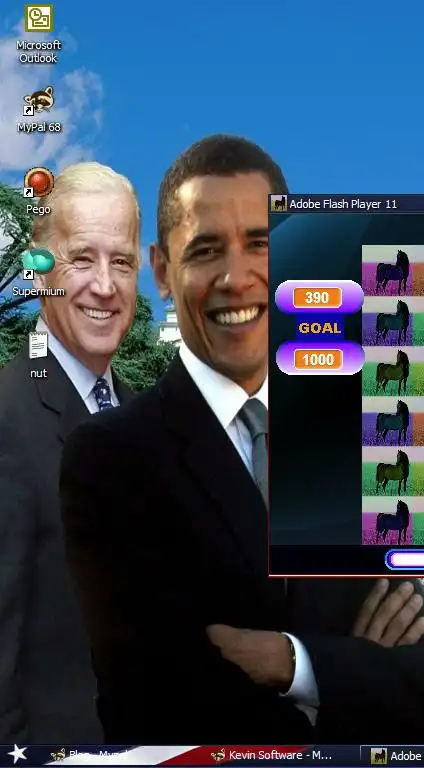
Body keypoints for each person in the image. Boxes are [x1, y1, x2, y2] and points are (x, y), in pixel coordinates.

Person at [59, 135, 424, 744]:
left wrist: (288, 664)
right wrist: (360, 673)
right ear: (162, 272)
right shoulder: (111, 458)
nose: (236, 277)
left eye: (260, 244)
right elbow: (162, 715)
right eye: (206, 250)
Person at [0, 162, 140, 742]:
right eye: (82, 259)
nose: (105, 285)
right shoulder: (6, 420)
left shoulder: (144, 419)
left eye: (122, 262)